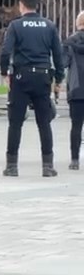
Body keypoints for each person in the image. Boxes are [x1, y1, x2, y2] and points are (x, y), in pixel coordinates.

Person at [0, 0, 65, 178]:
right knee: (44, 122)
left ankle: (12, 166)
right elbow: (58, 55)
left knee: (15, 122)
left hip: (21, 76)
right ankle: (47, 166)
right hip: (43, 76)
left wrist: (4, 72)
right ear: (36, 5)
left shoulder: (15, 26)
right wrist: (59, 79)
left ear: (21, 5)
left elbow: (5, 51)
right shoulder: (49, 26)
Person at [63, 11, 84, 170]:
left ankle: (75, 160)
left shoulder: (70, 42)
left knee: (76, 126)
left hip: (77, 90)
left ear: (78, 23)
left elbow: (63, 63)